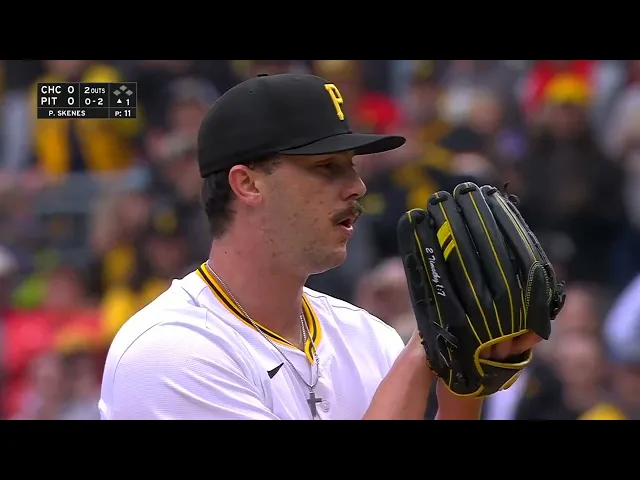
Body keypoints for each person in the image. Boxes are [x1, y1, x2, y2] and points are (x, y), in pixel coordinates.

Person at [99, 73, 541, 420]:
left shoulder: (368, 337)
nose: (357, 186)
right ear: (248, 183)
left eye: (352, 165)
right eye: (327, 166)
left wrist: (465, 385)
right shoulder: (169, 352)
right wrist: (422, 352)